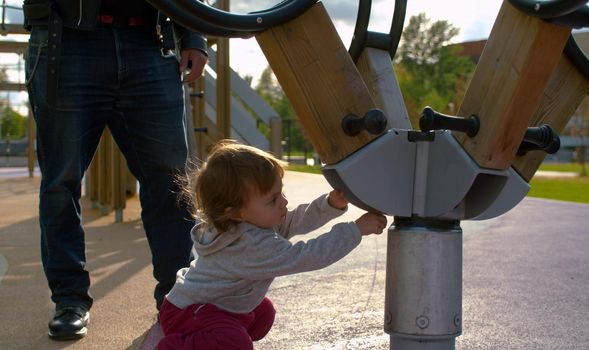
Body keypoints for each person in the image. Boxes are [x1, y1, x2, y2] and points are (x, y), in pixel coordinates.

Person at [22, 0, 208, 341]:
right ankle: (69, 300)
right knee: (61, 182)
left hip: (151, 41)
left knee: (170, 180)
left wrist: (194, 35)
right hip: (67, 39)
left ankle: (177, 297)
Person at [156, 140, 387, 350]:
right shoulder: (249, 245)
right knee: (236, 342)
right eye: (273, 200)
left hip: (211, 305)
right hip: (187, 312)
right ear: (236, 212)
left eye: (281, 193)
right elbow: (308, 255)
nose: (284, 202)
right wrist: (356, 229)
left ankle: (217, 339)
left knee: (263, 313)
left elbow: (294, 220)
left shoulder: (244, 222)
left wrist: (330, 205)